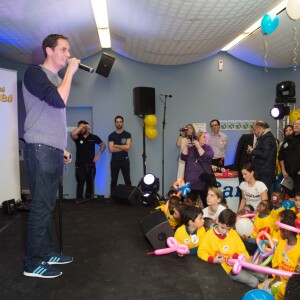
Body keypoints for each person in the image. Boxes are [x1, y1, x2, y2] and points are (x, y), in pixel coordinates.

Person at [22, 34, 79, 278]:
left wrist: (61, 148)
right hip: (40, 150)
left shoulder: (56, 79)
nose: (68, 54)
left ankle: (45, 253)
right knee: (41, 207)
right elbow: (58, 100)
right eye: (64, 50)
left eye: (69, 51)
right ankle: (32, 263)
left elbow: (53, 117)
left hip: (52, 150)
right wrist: (71, 72)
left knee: (47, 206)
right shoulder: (34, 73)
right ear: (49, 50)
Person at [197, 209, 266, 288]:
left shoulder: (233, 233)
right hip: (227, 269)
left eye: (228, 229)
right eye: (222, 228)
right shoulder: (209, 235)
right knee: (254, 282)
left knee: (262, 275)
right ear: (217, 221)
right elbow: (201, 252)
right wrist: (214, 259)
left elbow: (243, 252)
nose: (225, 231)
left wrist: (236, 257)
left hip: (239, 263)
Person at [264, 212, 300, 300]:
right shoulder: (282, 243)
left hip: (292, 286)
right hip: (279, 280)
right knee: (266, 289)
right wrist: (277, 277)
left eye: (281, 230)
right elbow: (275, 260)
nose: (279, 233)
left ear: (287, 232)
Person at [71, 120, 106, 199]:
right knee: (80, 183)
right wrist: (81, 126)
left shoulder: (93, 137)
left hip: (91, 165)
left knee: (90, 184)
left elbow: (103, 145)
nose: (81, 129)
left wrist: (98, 155)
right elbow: (72, 134)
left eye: (83, 127)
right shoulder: (78, 137)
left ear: (87, 128)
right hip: (80, 165)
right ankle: (79, 200)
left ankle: (88, 201)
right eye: (80, 127)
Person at [247, 120, 277, 197]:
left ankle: (266, 209)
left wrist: (253, 151)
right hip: (263, 171)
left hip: (265, 172)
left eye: (254, 130)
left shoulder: (267, 138)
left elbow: (264, 154)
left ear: (259, 129)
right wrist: (253, 151)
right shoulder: (265, 137)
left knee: (265, 195)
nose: (254, 132)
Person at [108, 115, 132, 194]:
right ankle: (113, 198)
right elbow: (111, 149)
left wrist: (116, 145)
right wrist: (123, 147)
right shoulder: (111, 136)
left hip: (125, 160)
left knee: (127, 180)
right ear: (115, 123)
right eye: (117, 122)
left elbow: (128, 147)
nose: (119, 123)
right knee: (114, 181)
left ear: (123, 123)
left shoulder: (127, 134)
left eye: (120, 122)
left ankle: (129, 197)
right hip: (115, 161)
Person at [279, 118, 300, 195]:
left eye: (299, 124)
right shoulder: (288, 138)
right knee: (290, 195)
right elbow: (281, 155)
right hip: (288, 174)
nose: (296, 125)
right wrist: (283, 170)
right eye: (295, 124)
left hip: (298, 174)